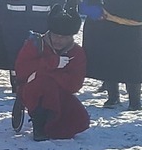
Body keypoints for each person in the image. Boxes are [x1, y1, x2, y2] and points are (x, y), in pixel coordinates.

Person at [15, 10, 91, 141]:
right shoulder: (35, 45)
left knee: (80, 120)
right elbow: (21, 71)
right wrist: (52, 63)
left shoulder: (77, 53)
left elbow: (74, 85)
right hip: (31, 91)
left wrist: (48, 73)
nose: (59, 40)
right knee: (43, 84)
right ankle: (39, 125)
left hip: (60, 93)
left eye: (64, 37)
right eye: (56, 35)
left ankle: (51, 124)